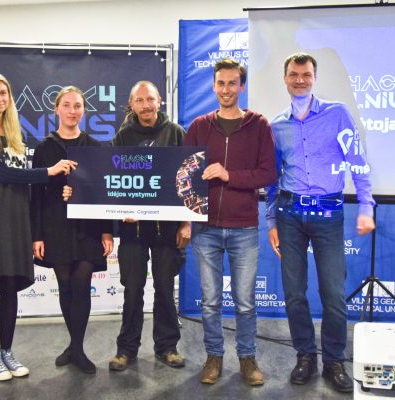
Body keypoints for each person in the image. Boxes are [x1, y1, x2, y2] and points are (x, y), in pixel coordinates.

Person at [266, 52, 376, 393]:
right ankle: (305, 356)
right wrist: (271, 220)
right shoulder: (276, 126)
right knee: (294, 293)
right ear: (285, 78)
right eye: (294, 74)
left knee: (333, 293)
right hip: (289, 215)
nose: (300, 80)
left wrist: (366, 206)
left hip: (328, 214)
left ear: (314, 78)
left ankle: (333, 361)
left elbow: (357, 161)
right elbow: (272, 179)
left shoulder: (337, 114)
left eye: (306, 74)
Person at [0, 71, 76, 381]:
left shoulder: (15, 135)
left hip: (16, 220)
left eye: (3, 93)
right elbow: (4, 174)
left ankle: (8, 352)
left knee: (10, 288)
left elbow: (20, 180)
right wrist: (48, 171)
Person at [185, 58, 277, 386]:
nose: (226, 89)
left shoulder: (259, 125)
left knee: (245, 302)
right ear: (213, 86)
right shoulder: (198, 127)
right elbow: (184, 178)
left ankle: (247, 358)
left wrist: (228, 175)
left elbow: (268, 174)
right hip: (205, 228)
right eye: (221, 83)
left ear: (241, 86)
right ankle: (214, 357)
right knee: (210, 302)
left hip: (244, 228)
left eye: (232, 83)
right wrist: (186, 220)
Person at [107, 81, 190, 371]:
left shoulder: (176, 133)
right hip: (133, 231)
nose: (145, 105)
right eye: (139, 100)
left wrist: (186, 224)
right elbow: (113, 181)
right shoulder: (122, 137)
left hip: (168, 229)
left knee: (165, 289)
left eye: (150, 99)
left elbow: (189, 181)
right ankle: (126, 349)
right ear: (131, 105)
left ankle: (167, 347)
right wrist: (122, 209)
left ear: (159, 101)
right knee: (132, 291)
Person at [30, 86, 114, 374]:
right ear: (57, 109)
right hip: (55, 225)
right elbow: (36, 195)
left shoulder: (94, 146)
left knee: (81, 283)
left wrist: (107, 232)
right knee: (65, 285)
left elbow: (103, 192)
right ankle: (75, 347)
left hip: (88, 227)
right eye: (66, 105)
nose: (72, 110)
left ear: (84, 110)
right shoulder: (44, 148)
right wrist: (36, 235)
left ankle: (76, 349)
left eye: (77, 105)